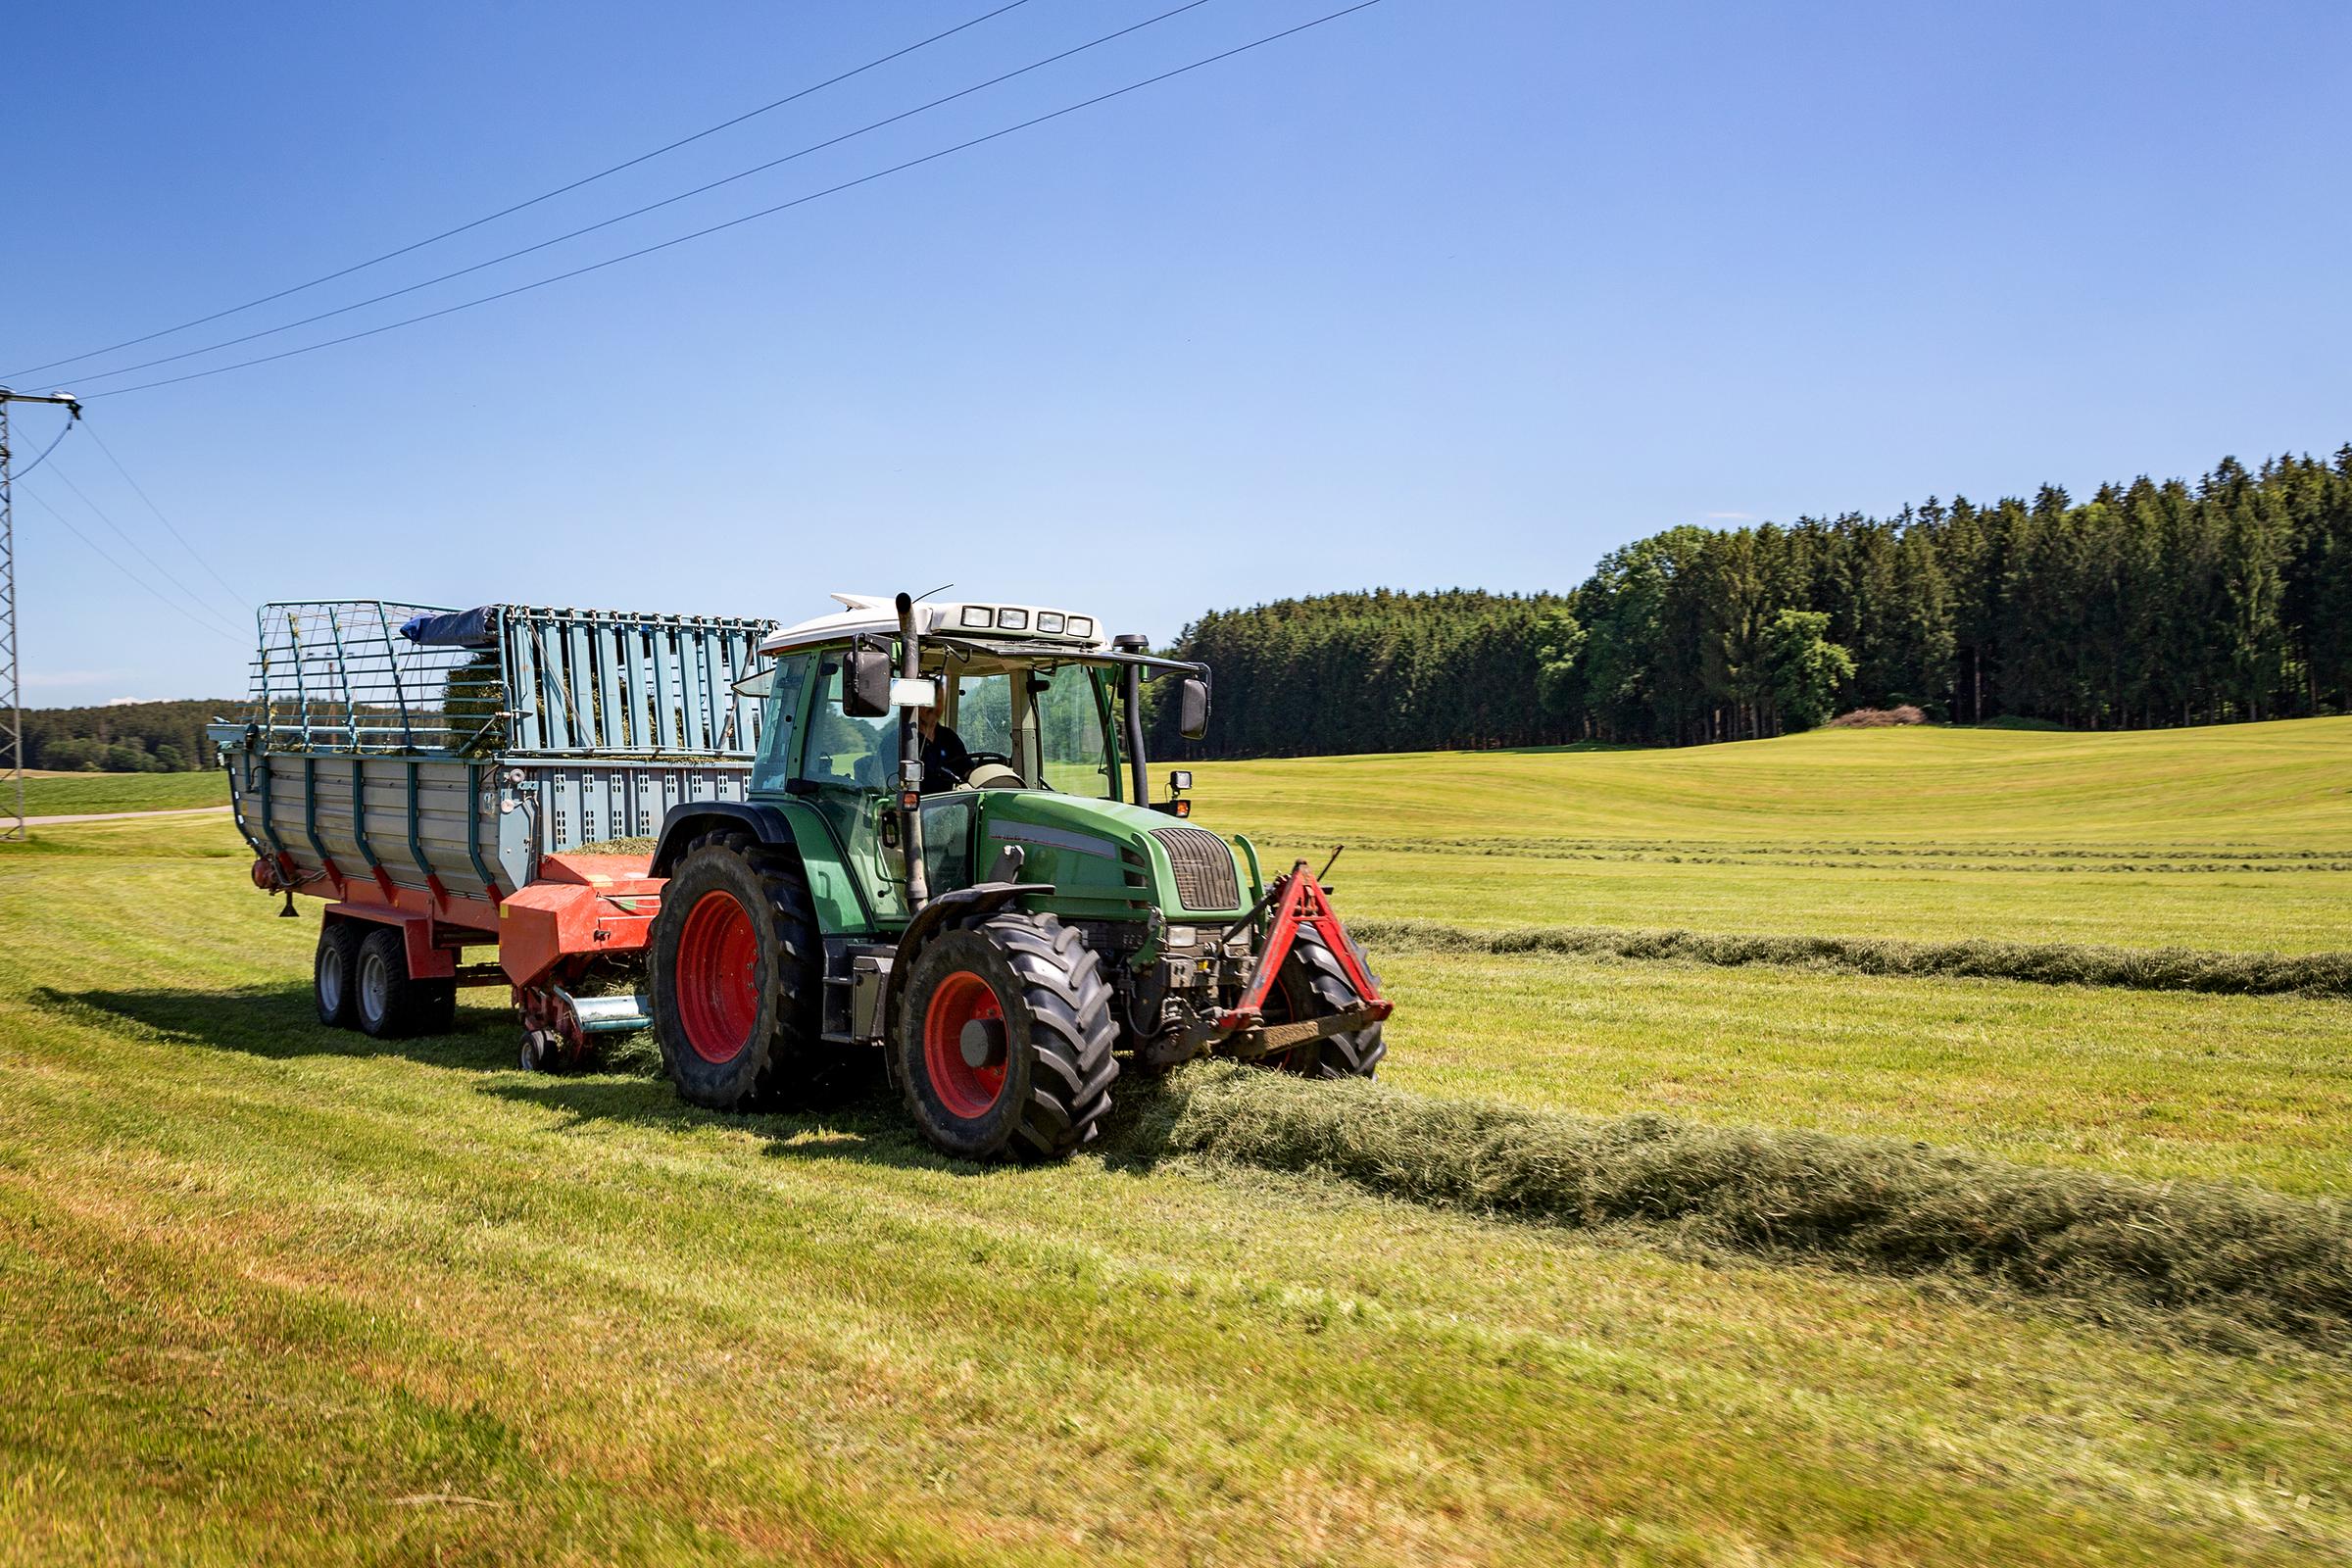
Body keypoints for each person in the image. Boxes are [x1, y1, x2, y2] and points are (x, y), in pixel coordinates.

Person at [916, 702, 970, 794]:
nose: (933, 707)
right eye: (927, 701)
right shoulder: (898, 740)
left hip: (950, 803)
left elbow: (966, 768)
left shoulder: (949, 737)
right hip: (917, 804)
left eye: (937, 701)